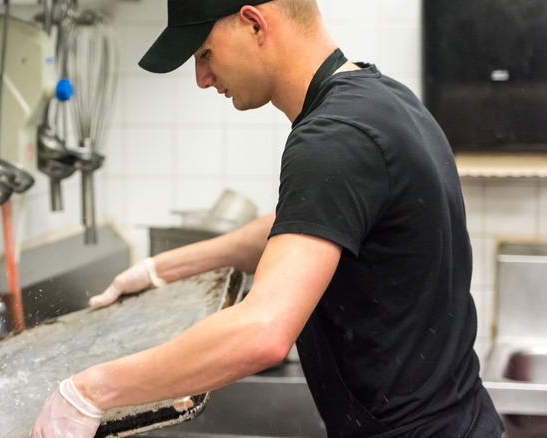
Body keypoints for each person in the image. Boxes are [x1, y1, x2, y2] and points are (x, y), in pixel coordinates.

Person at [32, 0, 505, 436]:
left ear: (254, 23)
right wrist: (164, 268)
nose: (202, 78)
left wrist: (89, 391)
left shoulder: (333, 138)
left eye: (204, 54)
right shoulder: (381, 99)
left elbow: (262, 334)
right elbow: (302, 225)